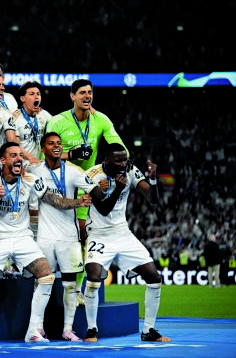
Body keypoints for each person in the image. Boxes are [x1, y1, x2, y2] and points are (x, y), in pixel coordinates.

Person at [0, 142, 91, 344]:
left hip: (22, 237)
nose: (19, 158)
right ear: (3, 159)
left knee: (47, 276)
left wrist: (77, 203)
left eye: (21, 155)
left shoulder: (30, 179)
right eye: (13, 155)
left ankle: (33, 330)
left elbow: (53, 199)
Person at [46, 79, 127, 304]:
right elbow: (46, 155)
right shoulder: (58, 121)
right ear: (72, 96)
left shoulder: (100, 120)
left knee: (83, 238)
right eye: (82, 92)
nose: (87, 96)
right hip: (58, 187)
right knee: (53, 240)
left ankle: (77, 293)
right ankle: (46, 289)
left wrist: (110, 166)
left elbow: (120, 149)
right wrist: (70, 155)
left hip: (85, 188)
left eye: (90, 92)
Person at [29, 132, 115, 341]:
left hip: (69, 236)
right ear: (43, 148)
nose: (56, 146)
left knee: (70, 285)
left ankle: (67, 329)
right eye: (51, 143)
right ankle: (37, 328)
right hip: (44, 236)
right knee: (42, 283)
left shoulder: (74, 171)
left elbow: (97, 194)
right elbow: (51, 199)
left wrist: (103, 187)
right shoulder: (34, 170)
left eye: (59, 143)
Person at [83, 143, 171, 342]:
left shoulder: (130, 170)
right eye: (118, 160)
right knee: (94, 277)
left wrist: (153, 180)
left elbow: (152, 199)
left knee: (154, 277)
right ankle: (92, 330)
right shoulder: (92, 175)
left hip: (122, 233)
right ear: (106, 160)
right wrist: (118, 189)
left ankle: (149, 330)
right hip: (99, 233)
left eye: (125, 159)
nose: (123, 164)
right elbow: (103, 209)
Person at [12, 81, 52, 165]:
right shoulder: (15, 118)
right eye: (32, 94)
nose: (36, 96)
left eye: (38, 94)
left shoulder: (44, 115)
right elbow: (15, 146)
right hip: (22, 165)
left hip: (40, 164)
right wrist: (31, 158)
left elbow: (57, 127)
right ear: (22, 99)